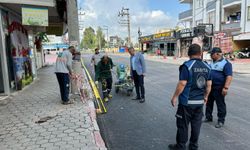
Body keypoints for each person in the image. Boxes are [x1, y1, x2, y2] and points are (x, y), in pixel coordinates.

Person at [169, 44, 212, 150]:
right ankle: (193, 146)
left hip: (186, 103)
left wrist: (174, 97)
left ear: (189, 54)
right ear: (201, 53)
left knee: (183, 125)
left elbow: (182, 83)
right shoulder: (207, 67)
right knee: (196, 125)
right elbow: (209, 85)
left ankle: (181, 146)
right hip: (199, 102)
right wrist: (206, 96)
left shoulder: (187, 66)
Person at [204, 47, 233, 128]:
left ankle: (221, 120)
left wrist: (226, 88)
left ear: (217, 54)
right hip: (210, 87)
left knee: (220, 104)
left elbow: (229, 76)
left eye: (212, 54)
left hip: (219, 87)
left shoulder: (226, 63)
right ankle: (208, 117)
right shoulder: (211, 62)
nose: (210, 56)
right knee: (209, 103)